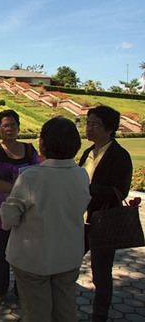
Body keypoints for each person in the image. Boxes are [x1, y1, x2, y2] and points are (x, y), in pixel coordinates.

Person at [0, 117, 91, 322]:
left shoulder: (32, 176)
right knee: (65, 310)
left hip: (33, 260)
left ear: (44, 143)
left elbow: (9, 217)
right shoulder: (81, 174)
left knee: (37, 313)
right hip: (68, 255)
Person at [79, 106, 133, 322]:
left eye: (95, 124)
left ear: (110, 129)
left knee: (101, 274)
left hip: (103, 222)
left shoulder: (119, 156)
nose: (89, 128)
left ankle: (99, 316)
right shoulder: (87, 152)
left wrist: (88, 189)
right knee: (68, 263)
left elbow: (120, 191)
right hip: (79, 220)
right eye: (88, 123)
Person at [0, 109, 40, 305]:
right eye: (5, 125)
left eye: (13, 125)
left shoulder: (30, 150)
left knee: (25, 252)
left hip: (27, 211)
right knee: (1, 252)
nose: (10, 129)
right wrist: (21, 188)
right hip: (2, 212)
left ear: (18, 127)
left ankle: (21, 290)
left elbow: (39, 175)